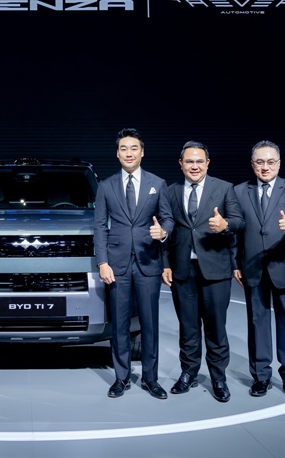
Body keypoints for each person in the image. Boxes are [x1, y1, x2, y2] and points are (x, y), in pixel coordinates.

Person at [93, 127, 174, 399]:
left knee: (150, 324)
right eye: (124, 149)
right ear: (117, 154)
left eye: (134, 148)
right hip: (116, 265)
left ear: (142, 152)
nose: (129, 153)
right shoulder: (106, 186)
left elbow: (168, 218)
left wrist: (163, 231)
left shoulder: (157, 183)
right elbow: (99, 227)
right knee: (120, 324)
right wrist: (102, 262)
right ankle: (121, 378)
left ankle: (151, 378)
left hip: (148, 262)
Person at [161, 141, 245, 403]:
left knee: (216, 327)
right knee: (187, 327)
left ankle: (218, 378)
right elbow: (166, 230)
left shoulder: (224, 188)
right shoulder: (170, 191)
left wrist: (225, 224)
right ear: (181, 164)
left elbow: (239, 221)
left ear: (208, 163)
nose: (194, 166)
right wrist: (165, 263)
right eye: (189, 161)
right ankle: (188, 373)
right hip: (182, 270)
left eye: (199, 161)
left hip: (215, 269)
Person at [234, 140, 285, 400]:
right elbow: (236, 232)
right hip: (253, 267)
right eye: (260, 162)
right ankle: (261, 376)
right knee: (257, 322)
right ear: (252, 164)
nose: (265, 167)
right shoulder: (239, 191)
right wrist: (236, 264)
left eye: (270, 162)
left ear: (279, 164)